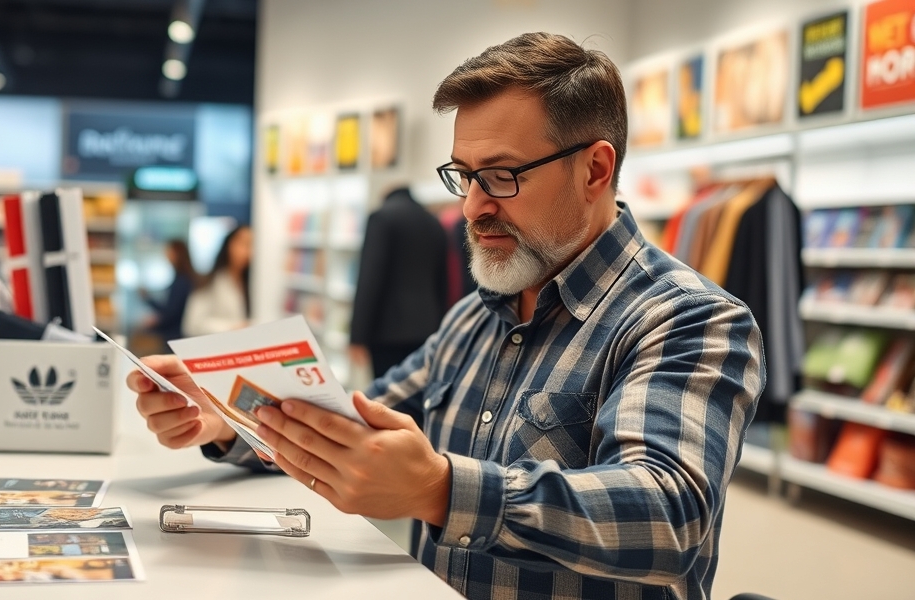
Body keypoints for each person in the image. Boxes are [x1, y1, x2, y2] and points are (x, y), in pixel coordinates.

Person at [129, 32, 764, 600]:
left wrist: (439, 489)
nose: (472, 207)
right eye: (464, 176)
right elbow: (348, 422)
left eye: (502, 176)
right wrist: (228, 413)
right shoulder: (473, 317)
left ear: (594, 169)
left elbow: (667, 513)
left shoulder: (689, 320)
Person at [348, 186, 448, 377]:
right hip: (428, 327)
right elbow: (442, 281)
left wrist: (357, 336)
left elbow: (370, 277)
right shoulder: (434, 222)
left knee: (386, 394)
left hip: (387, 331)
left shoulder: (382, 218)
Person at [181, 224, 251, 337]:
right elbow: (192, 324)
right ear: (229, 245)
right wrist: (232, 327)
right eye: (245, 244)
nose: (249, 251)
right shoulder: (210, 281)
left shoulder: (251, 284)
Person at [141, 240, 197, 344]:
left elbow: (171, 312)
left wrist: (155, 323)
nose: (166, 255)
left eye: (168, 252)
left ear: (177, 254)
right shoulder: (181, 278)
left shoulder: (182, 281)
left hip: (175, 335)